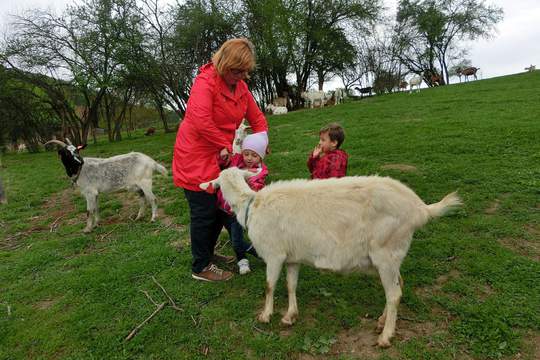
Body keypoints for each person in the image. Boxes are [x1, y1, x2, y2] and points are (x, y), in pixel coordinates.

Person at [172, 38, 268, 282]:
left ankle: (208, 254)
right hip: (196, 154)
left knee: (216, 209)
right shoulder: (205, 83)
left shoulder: (241, 88)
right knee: (203, 211)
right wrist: (227, 145)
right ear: (225, 64)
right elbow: (201, 120)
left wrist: (261, 146)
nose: (241, 76)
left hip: (220, 155)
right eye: (236, 71)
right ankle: (200, 266)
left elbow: (257, 119)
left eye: (245, 71)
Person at [217, 132, 268, 275]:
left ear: (261, 157)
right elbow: (224, 163)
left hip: (239, 212)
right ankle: (242, 261)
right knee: (235, 238)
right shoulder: (238, 162)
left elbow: (256, 186)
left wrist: (249, 186)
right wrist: (223, 156)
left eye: (254, 155)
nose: (249, 158)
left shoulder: (257, 172)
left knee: (237, 241)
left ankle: (261, 253)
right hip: (225, 208)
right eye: (246, 154)